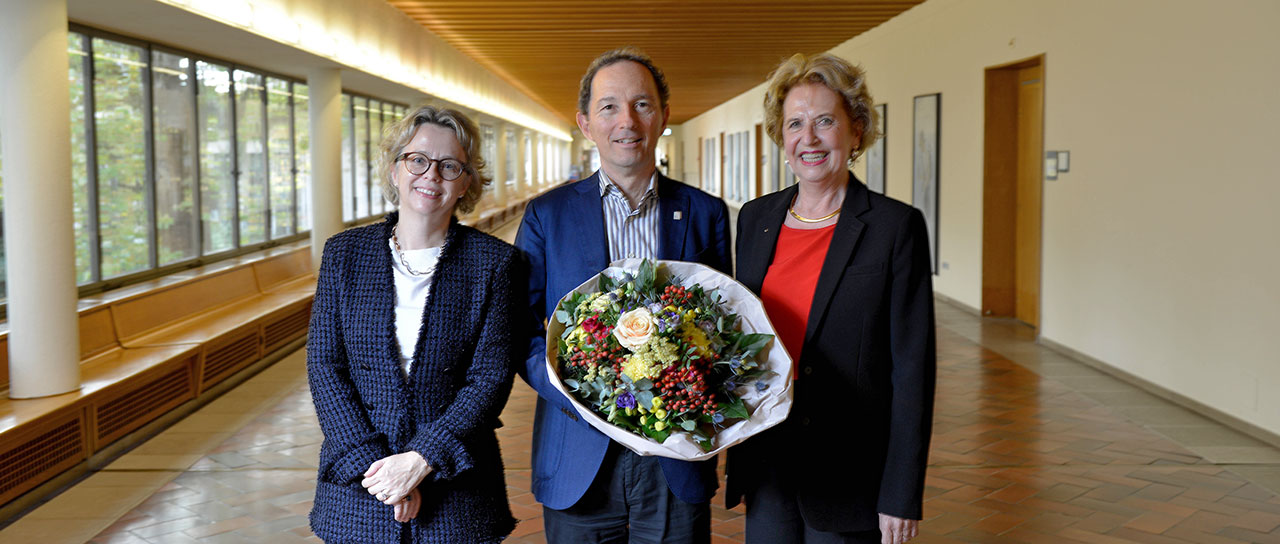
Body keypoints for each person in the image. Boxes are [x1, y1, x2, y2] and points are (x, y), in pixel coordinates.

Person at [514, 47, 731, 543]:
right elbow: (521, 330)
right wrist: (580, 397)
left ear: (663, 117)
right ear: (586, 123)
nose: (626, 120)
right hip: (578, 453)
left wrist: (693, 389)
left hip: (676, 454)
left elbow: (725, 329)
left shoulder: (704, 213)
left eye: (642, 104)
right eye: (609, 106)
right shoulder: (547, 216)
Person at [726, 53, 937, 544]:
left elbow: (913, 371)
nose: (810, 138)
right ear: (781, 136)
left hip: (851, 468)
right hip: (769, 455)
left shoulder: (894, 227)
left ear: (856, 130)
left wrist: (900, 493)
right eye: (795, 123)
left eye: (825, 121)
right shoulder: (755, 220)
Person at [307, 104, 520, 543]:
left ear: (466, 182)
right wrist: (384, 476)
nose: (431, 175)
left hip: (457, 484)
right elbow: (325, 366)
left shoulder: (494, 263)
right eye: (418, 160)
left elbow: (490, 378)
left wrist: (422, 461)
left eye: (449, 166)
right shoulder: (345, 254)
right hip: (360, 482)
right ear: (394, 169)